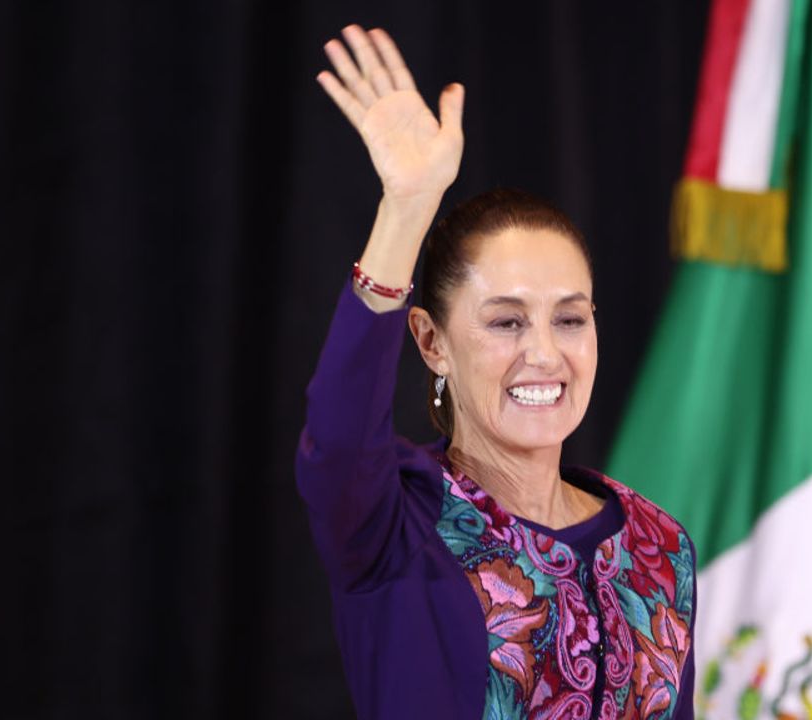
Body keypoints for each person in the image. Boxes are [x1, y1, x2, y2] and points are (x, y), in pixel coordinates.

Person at [296, 24, 696, 719]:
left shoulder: (660, 544)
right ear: (431, 342)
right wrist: (407, 210)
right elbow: (335, 439)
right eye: (506, 321)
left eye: (569, 318)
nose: (543, 353)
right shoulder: (395, 524)